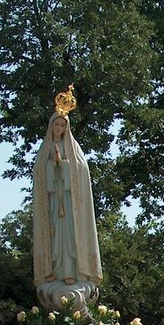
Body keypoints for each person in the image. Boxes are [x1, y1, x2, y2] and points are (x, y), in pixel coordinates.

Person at [32, 103, 102, 288]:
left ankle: (71, 270)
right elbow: (38, 169)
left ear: (66, 127)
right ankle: (53, 270)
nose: (59, 128)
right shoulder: (45, 147)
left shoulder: (73, 146)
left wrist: (62, 164)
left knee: (70, 235)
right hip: (54, 198)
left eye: (62, 125)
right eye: (56, 125)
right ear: (51, 126)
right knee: (54, 234)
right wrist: (51, 164)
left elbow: (81, 168)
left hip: (70, 201)